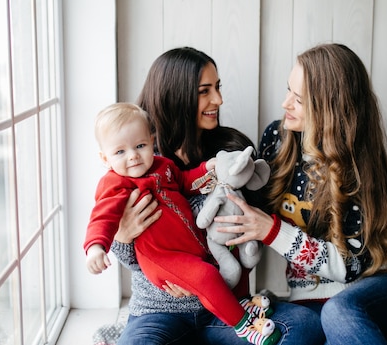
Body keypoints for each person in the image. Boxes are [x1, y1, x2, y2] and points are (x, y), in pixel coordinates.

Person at [109, 47, 322, 345]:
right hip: (159, 312)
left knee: (304, 328)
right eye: (204, 91)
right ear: (176, 96)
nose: (218, 100)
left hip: (230, 312)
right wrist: (122, 236)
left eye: (218, 87)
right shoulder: (139, 161)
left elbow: (251, 237)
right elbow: (132, 257)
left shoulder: (232, 152)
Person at [215, 43, 387, 345]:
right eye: (288, 90)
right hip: (309, 298)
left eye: (298, 100)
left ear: (329, 108)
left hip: (378, 285)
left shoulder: (357, 166)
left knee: (340, 312)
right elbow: (243, 210)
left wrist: (273, 232)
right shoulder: (278, 139)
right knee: (286, 333)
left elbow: (348, 267)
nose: (285, 103)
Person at [84, 102, 281, 345]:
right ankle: (244, 325)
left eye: (140, 146)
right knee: (207, 275)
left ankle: (238, 306)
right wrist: (96, 246)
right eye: (120, 152)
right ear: (105, 158)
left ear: (151, 141)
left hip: (193, 252)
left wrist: (208, 168)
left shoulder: (163, 166)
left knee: (296, 325)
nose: (133, 155)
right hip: (162, 257)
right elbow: (102, 217)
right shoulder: (116, 184)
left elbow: (186, 181)